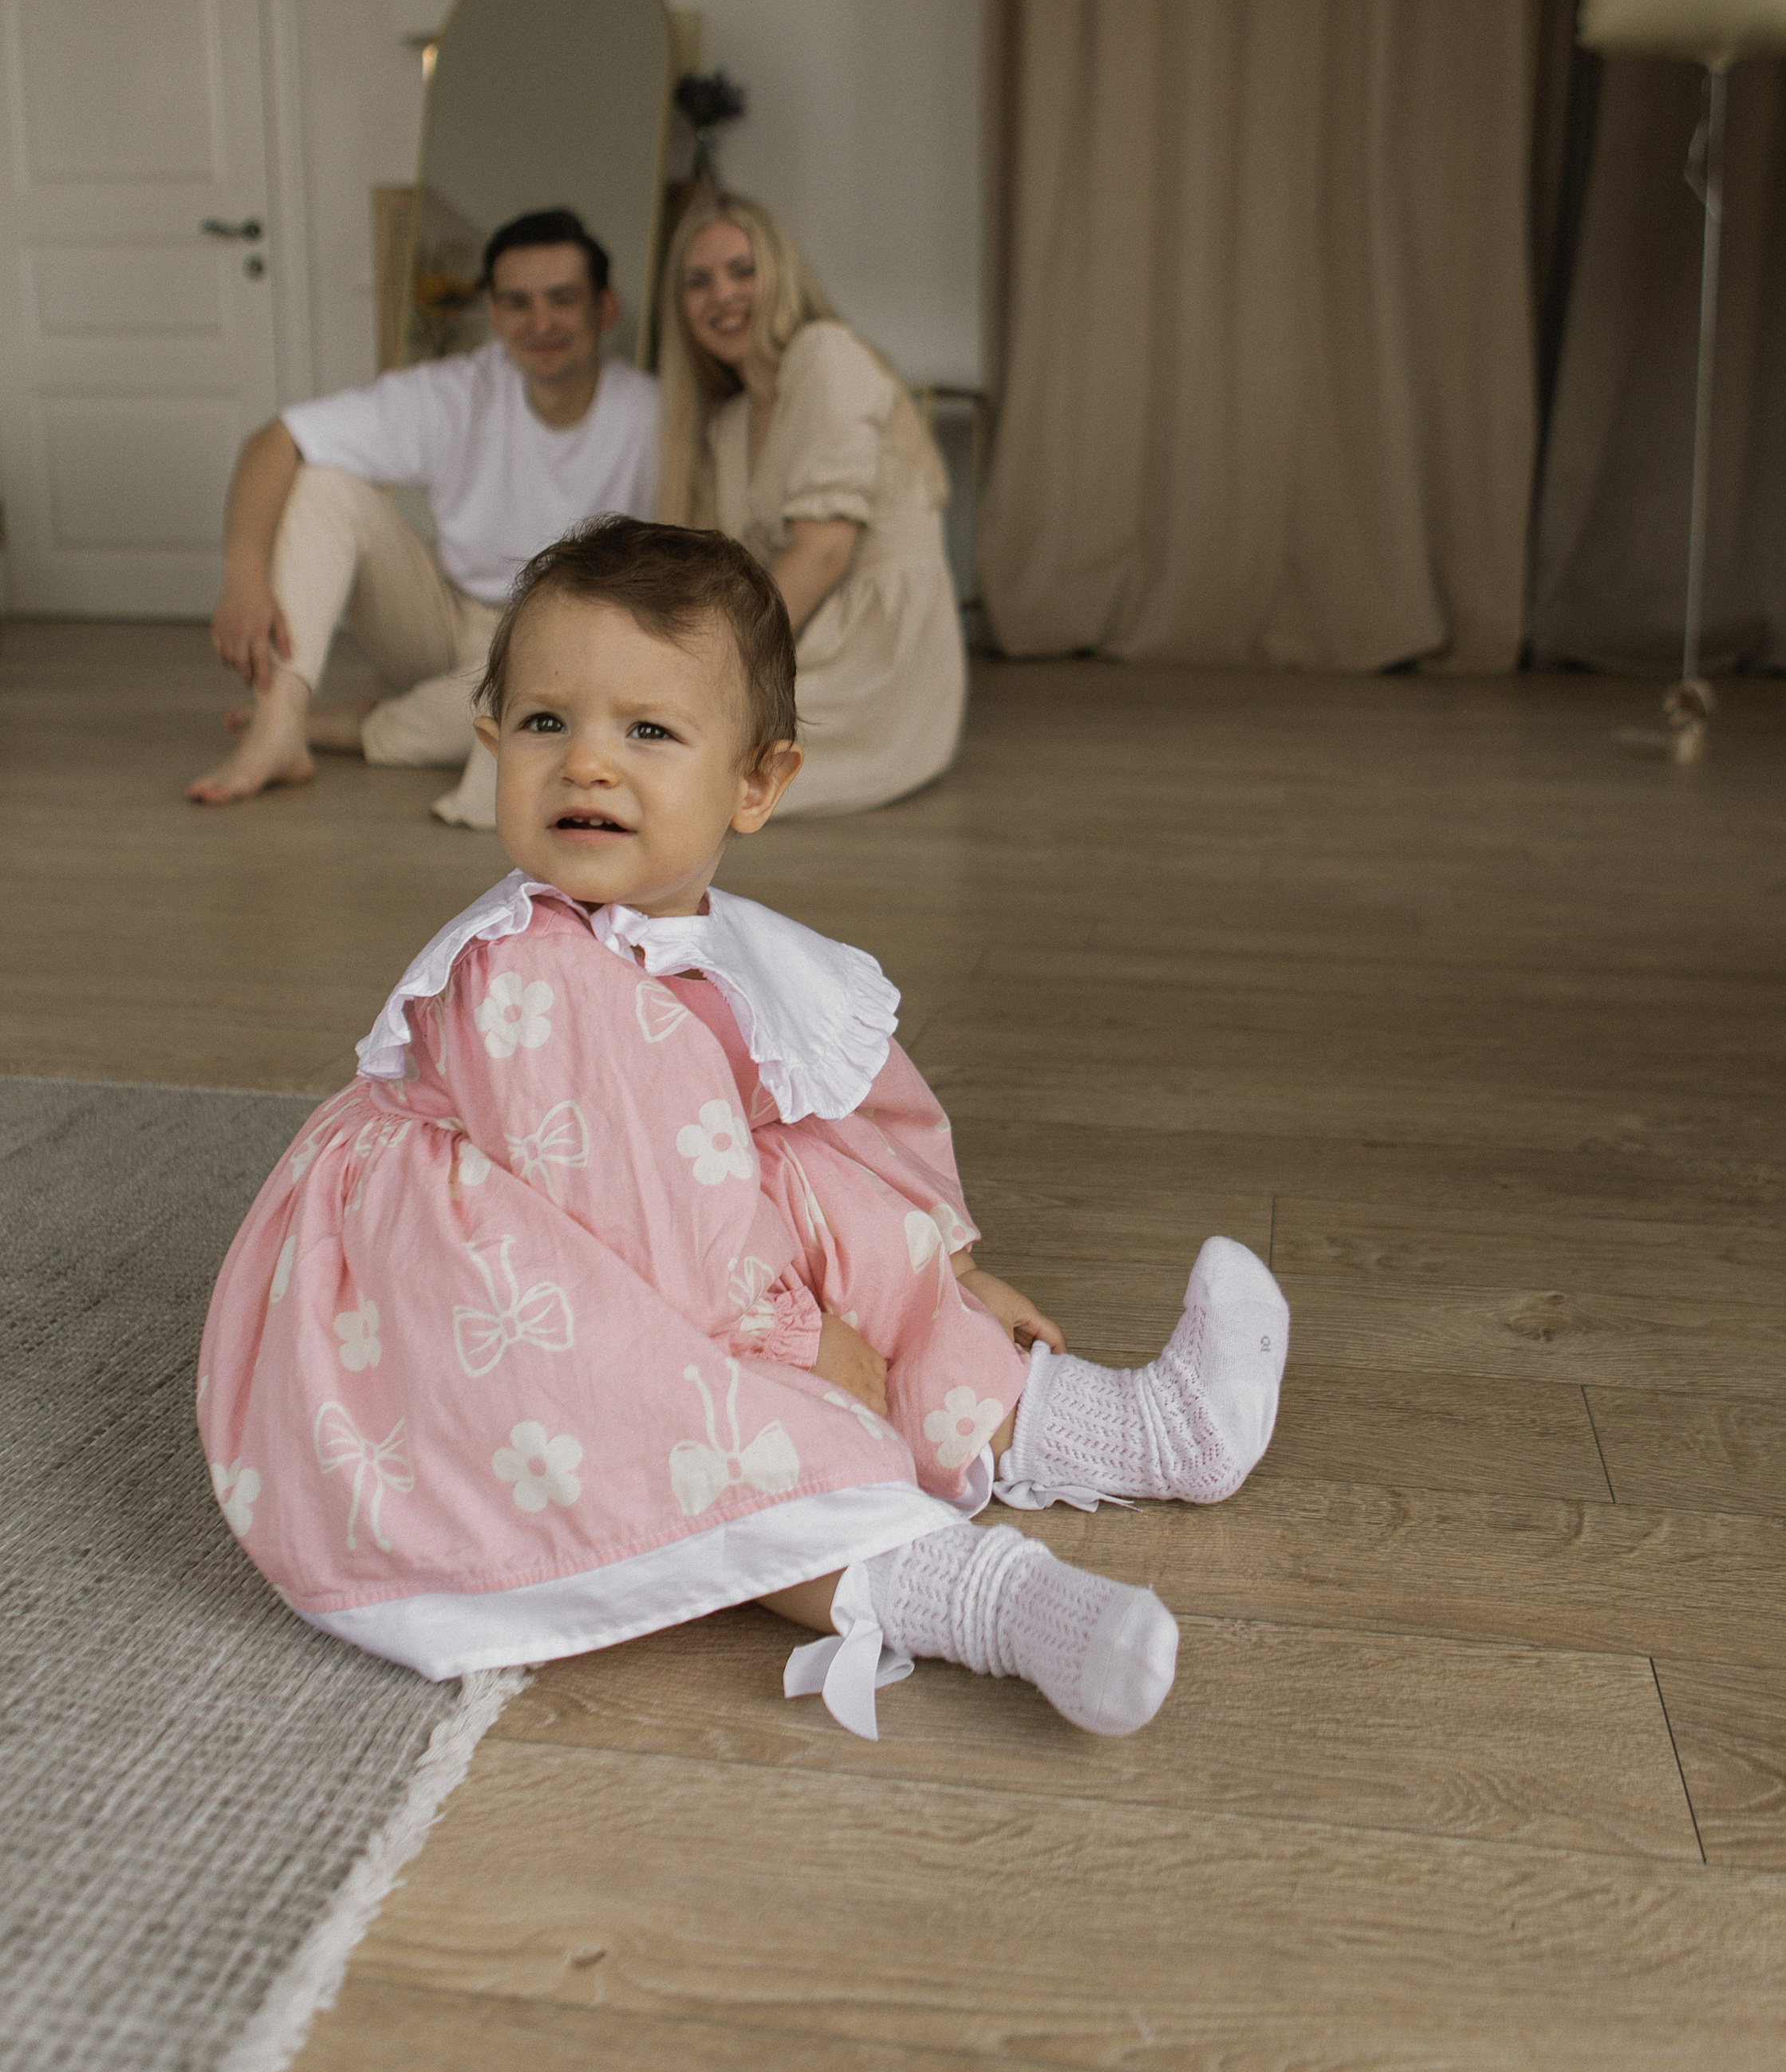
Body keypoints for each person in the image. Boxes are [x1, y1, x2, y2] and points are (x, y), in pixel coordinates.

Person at [197, 517, 1290, 1737]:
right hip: (492, 1294)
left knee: (823, 1185)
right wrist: (795, 1337)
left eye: (648, 732)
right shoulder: (527, 976)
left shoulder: (728, 950)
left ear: (755, 783)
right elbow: (641, 1212)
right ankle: (986, 1601)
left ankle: (1125, 1427)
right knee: (690, 1424)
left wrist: (945, 1268)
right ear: (493, 745)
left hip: (687, 1237)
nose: (589, 766)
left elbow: (863, 1116)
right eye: (547, 725)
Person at [186, 209, 658, 819]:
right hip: (448, 620)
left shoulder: (653, 415)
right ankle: (277, 730)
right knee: (323, 484)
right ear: (493, 316)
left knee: (541, 724)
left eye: (561, 300)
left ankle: (362, 728)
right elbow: (275, 440)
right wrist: (242, 578)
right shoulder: (456, 393)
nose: (540, 323)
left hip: (571, 643)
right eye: (517, 303)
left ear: (604, 308)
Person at [660, 191, 966, 816]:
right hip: (801, 630)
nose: (721, 295)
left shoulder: (825, 355)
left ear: (779, 275)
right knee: (646, 727)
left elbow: (824, 553)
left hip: (873, 651)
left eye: (741, 271)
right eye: (698, 282)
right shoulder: (728, 420)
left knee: (679, 755)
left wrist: (712, 669)